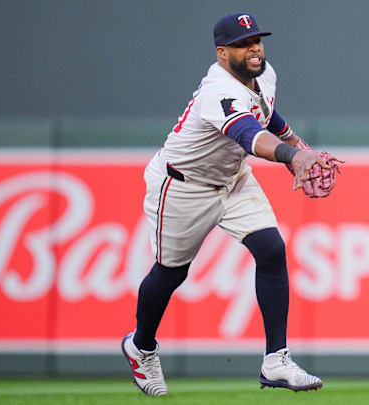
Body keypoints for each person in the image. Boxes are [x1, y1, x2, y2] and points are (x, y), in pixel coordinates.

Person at [120, 12, 334, 396]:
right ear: (222, 53)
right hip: (184, 185)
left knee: (271, 249)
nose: (254, 49)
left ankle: (276, 360)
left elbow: (267, 115)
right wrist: (291, 157)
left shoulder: (264, 73)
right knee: (170, 274)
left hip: (233, 179)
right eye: (242, 44)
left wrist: (299, 146)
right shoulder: (217, 91)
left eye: (256, 40)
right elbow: (248, 134)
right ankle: (141, 345)